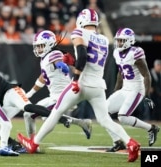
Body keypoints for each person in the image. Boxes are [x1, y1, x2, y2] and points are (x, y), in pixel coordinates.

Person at [17, 9, 140, 162]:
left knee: (56, 112)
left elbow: (81, 54)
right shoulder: (103, 39)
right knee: (105, 119)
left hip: (82, 82)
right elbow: (89, 61)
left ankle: (33, 144)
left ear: (81, 20)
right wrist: (73, 62)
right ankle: (131, 143)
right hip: (97, 84)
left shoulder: (79, 33)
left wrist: (75, 78)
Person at [0, 61, 92, 154]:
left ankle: (64, 120)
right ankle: (16, 145)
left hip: (11, 92)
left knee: (27, 108)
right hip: (3, 103)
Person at [23, 30, 92, 140]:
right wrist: (30, 93)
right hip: (55, 96)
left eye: (40, 46)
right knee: (29, 114)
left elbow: (58, 61)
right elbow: (43, 78)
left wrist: (61, 64)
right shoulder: (45, 58)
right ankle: (82, 123)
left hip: (62, 96)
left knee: (36, 115)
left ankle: (32, 142)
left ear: (49, 44)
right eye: (37, 46)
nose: (38, 49)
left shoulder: (53, 54)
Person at [105, 28, 160, 152]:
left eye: (122, 40)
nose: (119, 43)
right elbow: (120, 73)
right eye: (118, 40)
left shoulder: (136, 52)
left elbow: (146, 75)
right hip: (125, 88)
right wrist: (116, 91)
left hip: (136, 89)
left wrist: (146, 96)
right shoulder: (116, 53)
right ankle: (118, 142)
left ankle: (151, 128)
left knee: (123, 117)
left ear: (130, 41)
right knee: (103, 112)